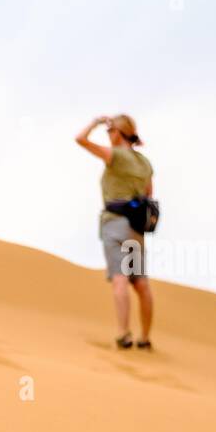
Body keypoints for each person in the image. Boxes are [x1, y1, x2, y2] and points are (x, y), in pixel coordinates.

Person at [75, 114, 154, 349]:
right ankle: (145, 337)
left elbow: (80, 139)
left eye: (110, 132)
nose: (108, 137)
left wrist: (96, 122)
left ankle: (123, 333)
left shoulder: (116, 156)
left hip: (115, 223)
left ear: (118, 133)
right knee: (140, 282)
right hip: (137, 229)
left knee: (120, 279)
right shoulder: (144, 163)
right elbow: (149, 193)